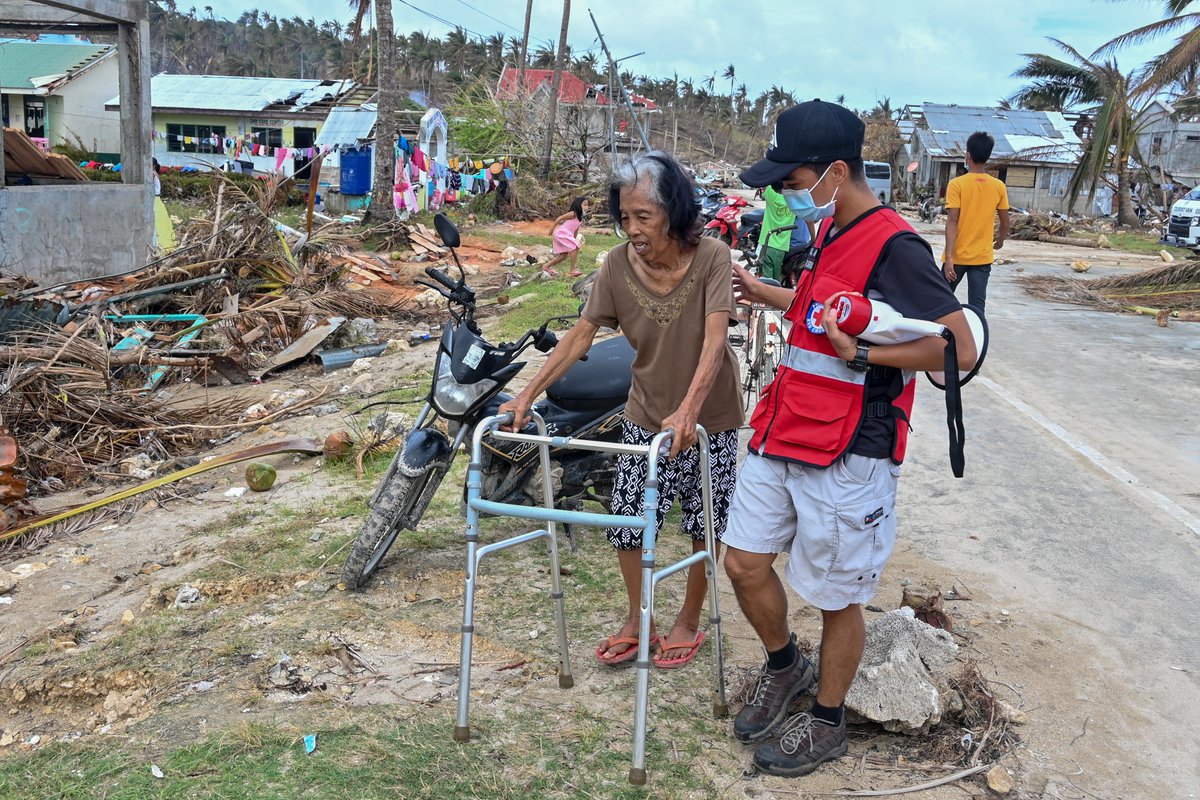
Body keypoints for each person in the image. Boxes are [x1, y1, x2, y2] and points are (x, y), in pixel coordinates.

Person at [724, 100, 977, 778]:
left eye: (792, 181)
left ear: (836, 172)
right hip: (783, 428)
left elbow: (960, 346)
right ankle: (786, 664)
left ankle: (828, 719)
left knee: (838, 596)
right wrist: (760, 291)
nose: (785, 194)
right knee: (743, 563)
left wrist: (865, 356)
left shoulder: (896, 246)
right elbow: (818, 309)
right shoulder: (829, 230)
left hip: (850, 448)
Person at [499, 152, 742, 670]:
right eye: (625, 217)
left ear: (673, 211)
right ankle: (639, 617)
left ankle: (689, 619)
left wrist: (689, 410)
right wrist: (527, 394)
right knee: (629, 521)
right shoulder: (615, 263)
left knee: (705, 522)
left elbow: (715, 341)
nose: (632, 228)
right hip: (646, 410)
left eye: (643, 216)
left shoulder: (712, 257)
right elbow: (580, 335)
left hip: (709, 417)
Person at [942, 131, 1010, 313]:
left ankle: (941, 331)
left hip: (957, 256)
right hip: (982, 257)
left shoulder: (957, 184)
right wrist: (1000, 240)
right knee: (977, 307)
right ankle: (977, 332)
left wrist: (949, 257)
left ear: (968, 155)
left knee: (940, 302)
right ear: (988, 157)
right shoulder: (998, 186)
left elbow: (952, 221)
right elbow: (1005, 222)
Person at [757, 185, 809, 283]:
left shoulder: (771, 194)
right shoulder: (793, 201)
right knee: (776, 280)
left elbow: (763, 181)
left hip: (768, 243)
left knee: (765, 281)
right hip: (782, 248)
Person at [543, 196, 590, 278]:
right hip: (562, 234)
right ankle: (572, 270)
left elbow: (575, 230)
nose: (587, 207)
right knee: (575, 247)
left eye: (587, 205)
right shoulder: (573, 214)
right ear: (578, 205)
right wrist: (551, 229)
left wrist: (574, 239)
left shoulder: (580, 218)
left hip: (566, 235)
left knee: (563, 256)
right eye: (584, 205)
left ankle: (546, 266)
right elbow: (560, 218)